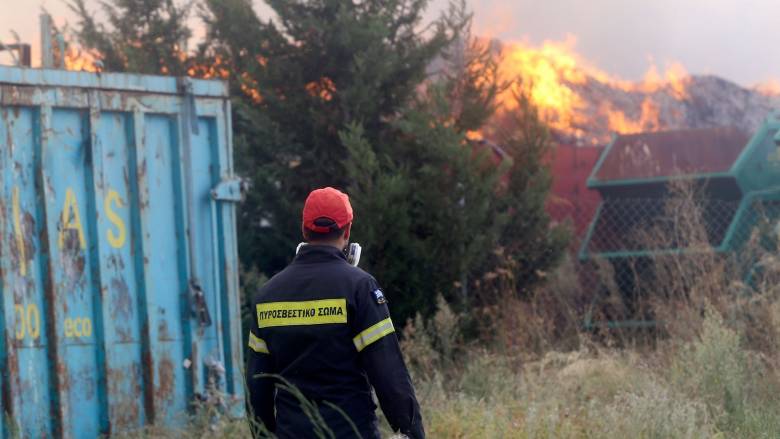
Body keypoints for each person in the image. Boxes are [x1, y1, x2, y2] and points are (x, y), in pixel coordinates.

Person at [246, 187, 425, 439]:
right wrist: (412, 432)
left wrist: (264, 434)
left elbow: (257, 387)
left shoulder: (267, 295)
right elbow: (388, 374)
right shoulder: (360, 288)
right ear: (347, 230)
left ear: (304, 230)